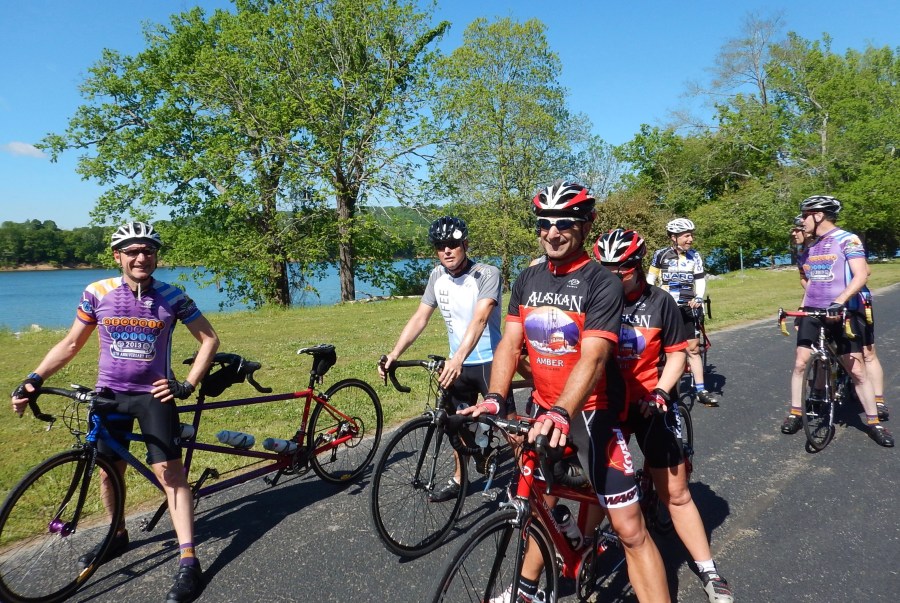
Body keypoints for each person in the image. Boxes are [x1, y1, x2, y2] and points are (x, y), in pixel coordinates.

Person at [467, 181, 669, 603]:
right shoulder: (527, 278)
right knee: (535, 505)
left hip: (591, 418)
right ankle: (528, 588)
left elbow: (594, 359)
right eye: (544, 223)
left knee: (630, 530)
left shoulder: (602, 283)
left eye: (565, 223)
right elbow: (509, 343)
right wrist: (495, 398)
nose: (552, 232)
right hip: (543, 410)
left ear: (587, 224)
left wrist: (561, 411)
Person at [10, 221, 220, 603]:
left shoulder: (172, 296)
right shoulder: (97, 292)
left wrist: (186, 383)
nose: (142, 257)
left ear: (156, 256)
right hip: (108, 397)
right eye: (133, 251)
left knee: (170, 473)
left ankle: (189, 559)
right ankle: (117, 535)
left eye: (149, 251)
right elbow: (72, 343)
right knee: (108, 473)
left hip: (153, 397)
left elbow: (209, 338)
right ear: (118, 256)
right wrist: (34, 378)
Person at [594, 228, 734, 603]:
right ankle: (581, 552)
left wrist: (659, 391)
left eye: (618, 270)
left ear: (637, 267)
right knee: (595, 491)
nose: (610, 277)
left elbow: (677, 354)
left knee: (675, 492)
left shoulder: (661, 303)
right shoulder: (597, 300)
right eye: (603, 268)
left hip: (648, 401)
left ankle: (708, 569)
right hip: (610, 402)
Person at [378, 216, 508, 502]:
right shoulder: (437, 276)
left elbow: (481, 317)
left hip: (490, 362)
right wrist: (394, 353)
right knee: (453, 423)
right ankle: (460, 479)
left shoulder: (487, 273)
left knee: (511, 430)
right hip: (457, 364)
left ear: (465, 244)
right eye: (440, 246)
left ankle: (523, 484)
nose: (446, 250)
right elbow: (420, 317)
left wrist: (459, 357)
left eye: (452, 244)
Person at [780, 196, 893, 447]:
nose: (802, 221)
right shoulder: (810, 248)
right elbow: (811, 283)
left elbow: (862, 274)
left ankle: (874, 422)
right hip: (813, 311)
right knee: (800, 363)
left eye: (805, 215)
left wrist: (840, 301)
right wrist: (801, 309)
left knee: (856, 370)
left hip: (842, 311)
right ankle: (796, 412)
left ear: (818, 215)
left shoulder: (847, 239)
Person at [647, 218, 718, 406]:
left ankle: (701, 390)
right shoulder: (660, 255)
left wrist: (699, 297)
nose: (690, 239)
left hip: (688, 306)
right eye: (686, 236)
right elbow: (650, 278)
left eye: (691, 235)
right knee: (662, 349)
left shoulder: (695, 256)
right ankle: (662, 388)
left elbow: (700, 279)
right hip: (666, 307)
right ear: (674, 237)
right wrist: (649, 300)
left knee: (693, 349)